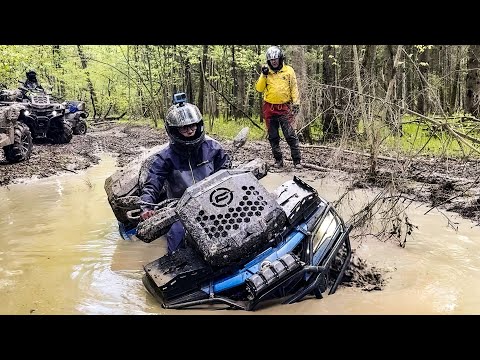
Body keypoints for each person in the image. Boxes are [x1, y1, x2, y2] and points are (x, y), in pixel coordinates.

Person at [139, 94, 231, 254]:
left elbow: (227, 175)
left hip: (214, 201)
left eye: (193, 125)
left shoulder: (213, 148)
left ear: (199, 124)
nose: (189, 130)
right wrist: (146, 206)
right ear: (174, 130)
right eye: (184, 127)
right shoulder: (164, 157)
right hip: (181, 209)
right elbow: (152, 184)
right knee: (176, 238)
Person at [255, 46, 302, 169]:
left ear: (280, 59)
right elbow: (259, 89)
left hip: (284, 107)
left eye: (276, 59)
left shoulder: (289, 71)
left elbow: (294, 87)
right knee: (273, 136)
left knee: (290, 135)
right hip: (269, 108)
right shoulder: (266, 72)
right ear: (269, 61)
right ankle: (278, 160)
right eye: (271, 60)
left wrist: (296, 103)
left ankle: (297, 161)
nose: (274, 62)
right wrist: (263, 75)